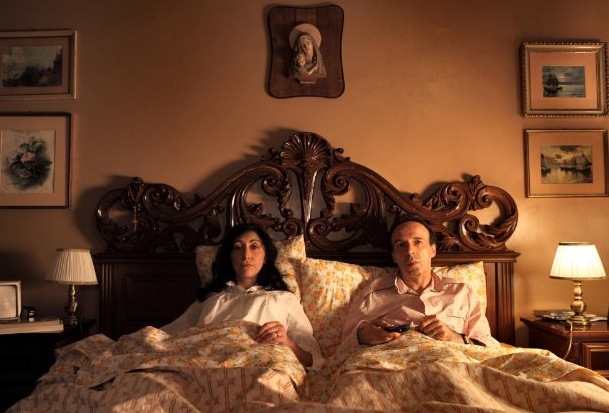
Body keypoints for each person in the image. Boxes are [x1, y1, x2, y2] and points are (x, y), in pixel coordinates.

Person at [162, 223, 323, 369]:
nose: (246, 255)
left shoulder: (284, 299)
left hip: (264, 366)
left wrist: (286, 341)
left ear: (265, 256)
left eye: (254, 247)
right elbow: (169, 338)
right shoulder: (210, 299)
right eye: (238, 247)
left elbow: (313, 360)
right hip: (208, 367)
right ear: (230, 256)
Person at [341, 214, 500, 348]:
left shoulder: (462, 293)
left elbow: (489, 348)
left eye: (418, 242)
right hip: (393, 367)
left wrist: (456, 338)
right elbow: (342, 347)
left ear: (433, 250)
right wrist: (363, 336)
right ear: (394, 256)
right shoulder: (372, 294)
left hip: (453, 364)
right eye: (401, 245)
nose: (410, 251)